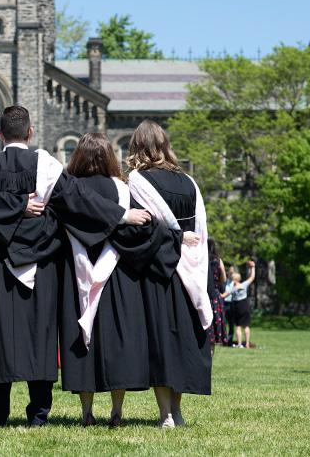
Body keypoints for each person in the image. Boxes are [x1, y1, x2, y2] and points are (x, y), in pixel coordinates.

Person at [0, 109, 151, 427]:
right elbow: (80, 199)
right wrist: (122, 215)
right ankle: (38, 412)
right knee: (40, 336)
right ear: (31, 133)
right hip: (42, 263)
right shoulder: (48, 166)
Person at [57, 133, 180, 428]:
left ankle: (87, 413)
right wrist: (175, 237)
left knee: (81, 343)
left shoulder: (68, 191)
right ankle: (116, 411)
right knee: (115, 340)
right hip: (116, 275)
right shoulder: (122, 191)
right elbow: (141, 229)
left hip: (76, 273)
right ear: (110, 157)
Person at [125, 120, 212, 428]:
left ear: (138, 146)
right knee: (184, 340)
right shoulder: (188, 181)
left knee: (162, 341)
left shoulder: (138, 180)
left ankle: (166, 415)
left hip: (160, 271)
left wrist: (170, 240)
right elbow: (200, 231)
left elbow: (139, 229)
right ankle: (178, 410)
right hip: (192, 269)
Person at [207, 239, 228, 354]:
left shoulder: (200, 259)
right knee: (213, 333)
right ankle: (210, 357)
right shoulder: (218, 261)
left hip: (202, 294)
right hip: (214, 296)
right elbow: (224, 279)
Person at [229, 261, 256, 348]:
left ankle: (240, 344)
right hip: (244, 305)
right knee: (246, 325)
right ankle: (247, 344)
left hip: (236, 306)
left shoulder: (232, 288)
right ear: (239, 278)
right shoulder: (244, 285)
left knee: (238, 326)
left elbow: (225, 295)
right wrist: (253, 267)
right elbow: (252, 277)